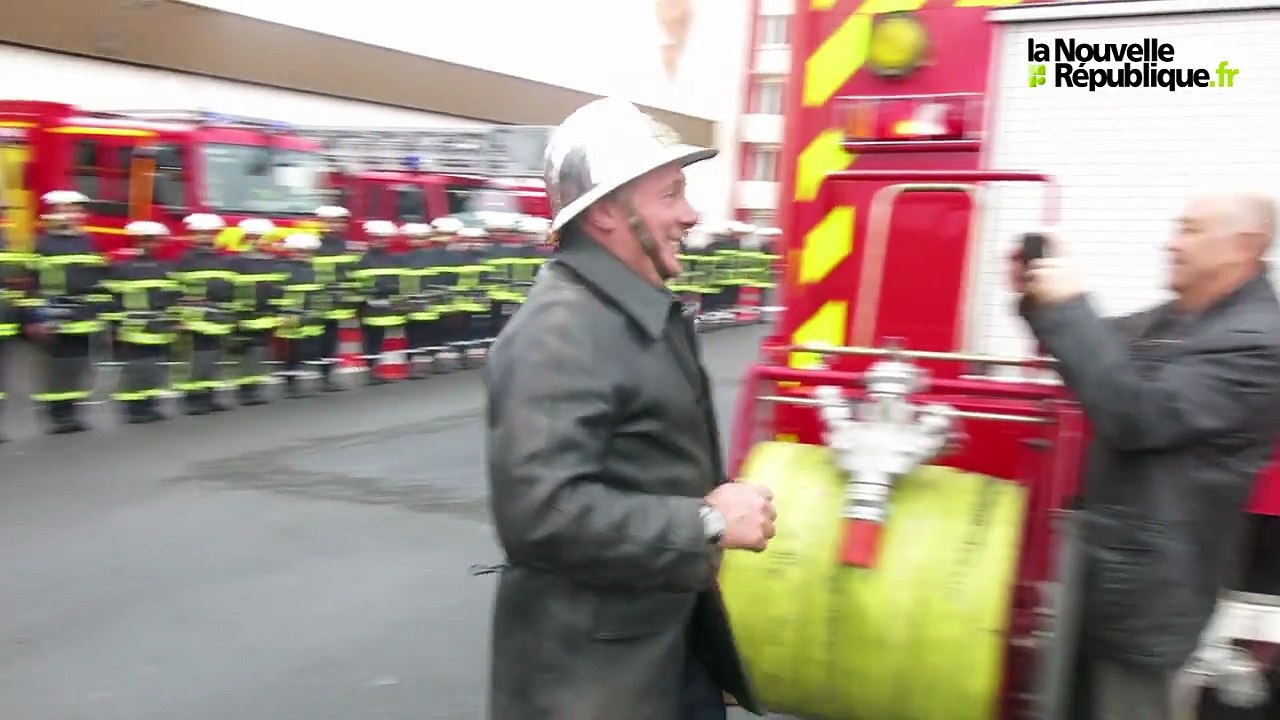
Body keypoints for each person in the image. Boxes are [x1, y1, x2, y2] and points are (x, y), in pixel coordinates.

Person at [484, 96, 774, 720]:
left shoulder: (628, 309)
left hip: (654, 661)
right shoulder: (561, 330)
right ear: (608, 213)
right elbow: (541, 513)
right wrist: (706, 523)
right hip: (596, 687)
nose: (691, 214)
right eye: (670, 194)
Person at [1010, 192, 1280, 720]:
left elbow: (1135, 414)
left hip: (1154, 589)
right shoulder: (1181, 320)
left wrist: (1069, 305)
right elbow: (1100, 369)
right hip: (1112, 567)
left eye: (1191, 230)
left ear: (1244, 246)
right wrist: (1042, 303)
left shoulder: (1256, 343)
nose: (1172, 243)